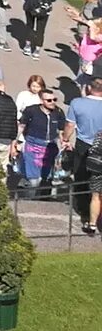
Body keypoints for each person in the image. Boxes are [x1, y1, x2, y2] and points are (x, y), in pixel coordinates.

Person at [69, 77, 102, 234]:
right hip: (100, 146)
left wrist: (64, 138)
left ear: (89, 88)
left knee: (81, 177)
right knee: (97, 183)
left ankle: (84, 210)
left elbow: (70, 124)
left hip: (83, 144)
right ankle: (95, 215)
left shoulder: (77, 103)